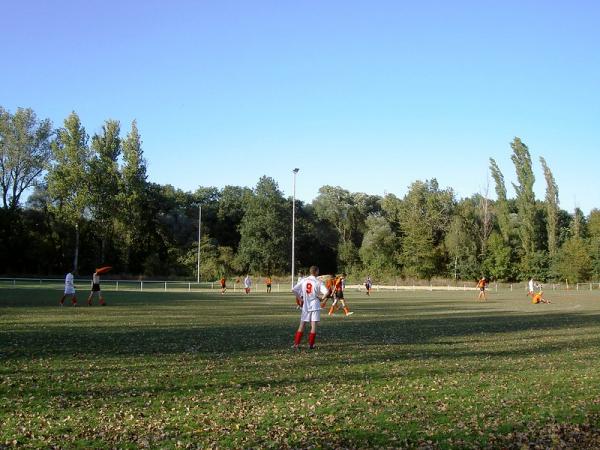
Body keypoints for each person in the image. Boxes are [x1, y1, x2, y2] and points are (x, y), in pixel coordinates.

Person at [292, 265, 329, 350]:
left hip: (306, 306)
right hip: (315, 305)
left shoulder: (304, 280)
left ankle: (296, 344)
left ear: (310, 272)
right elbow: (326, 292)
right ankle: (311, 345)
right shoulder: (318, 282)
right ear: (316, 272)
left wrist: (300, 299)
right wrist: (322, 298)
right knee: (313, 326)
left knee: (302, 325)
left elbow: (293, 290)